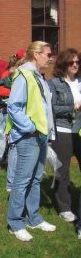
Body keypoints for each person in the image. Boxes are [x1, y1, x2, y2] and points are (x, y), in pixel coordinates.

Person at [6, 41, 56, 242]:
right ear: (36, 54)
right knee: (22, 180)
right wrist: (30, 127)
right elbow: (14, 106)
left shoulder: (37, 77)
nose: (50, 57)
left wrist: (45, 132)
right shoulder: (24, 76)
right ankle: (15, 222)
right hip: (29, 137)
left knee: (35, 179)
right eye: (48, 54)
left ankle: (33, 218)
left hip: (40, 136)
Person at [48, 48, 81, 224]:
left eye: (77, 62)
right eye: (71, 62)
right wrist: (72, 108)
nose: (75, 65)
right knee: (63, 171)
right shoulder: (54, 84)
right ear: (63, 64)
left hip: (80, 130)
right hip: (63, 131)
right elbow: (51, 108)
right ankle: (65, 208)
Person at [0, 52, 26, 191]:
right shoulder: (8, 73)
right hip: (8, 108)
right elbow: (0, 90)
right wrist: (15, 92)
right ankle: (2, 163)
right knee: (8, 139)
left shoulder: (25, 73)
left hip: (18, 110)